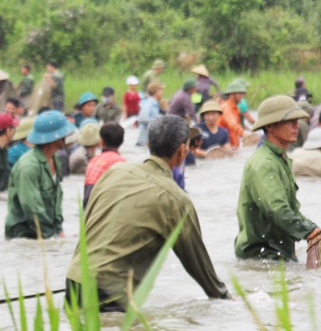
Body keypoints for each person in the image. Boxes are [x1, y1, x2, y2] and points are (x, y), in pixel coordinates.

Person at [66, 116, 230, 311]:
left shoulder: (114, 171)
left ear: (147, 143)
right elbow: (202, 271)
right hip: (110, 292)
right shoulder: (176, 199)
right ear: (182, 150)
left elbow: (89, 225)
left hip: (74, 279)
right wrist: (230, 301)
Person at [234, 96, 321, 261]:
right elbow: (278, 210)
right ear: (270, 126)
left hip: (278, 251)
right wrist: (308, 232)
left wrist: (315, 230)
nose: (297, 126)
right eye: (289, 121)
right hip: (261, 254)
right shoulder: (264, 163)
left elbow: (291, 211)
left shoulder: (280, 158)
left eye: (297, 120)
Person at [5, 111, 74, 239]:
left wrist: (58, 229)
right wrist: (51, 236)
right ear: (55, 138)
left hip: (46, 231)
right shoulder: (28, 167)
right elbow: (32, 208)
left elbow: (57, 197)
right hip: (24, 234)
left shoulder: (55, 159)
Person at [83, 123, 125, 207]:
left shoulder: (93, 160)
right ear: (122, 141)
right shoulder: (120, 162)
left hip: (87, 202)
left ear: (101, 141)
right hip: (102, 204)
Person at [218, 81, 247, 148]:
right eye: (240, 94)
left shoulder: (236, 109)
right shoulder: (226, 107)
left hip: (233, 145)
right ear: (232, 94)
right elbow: (232, 124)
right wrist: (244, 134)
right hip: (224, 146)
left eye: (243, 94)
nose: (242, 96)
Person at [136, 82, 163, 147]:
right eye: (161, 90)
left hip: (149, 141)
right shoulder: (149, 104)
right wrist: (158, 121)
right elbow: (141, 118)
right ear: (157, 92)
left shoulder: (155, 103)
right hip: (143, 141)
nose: (162, 93)